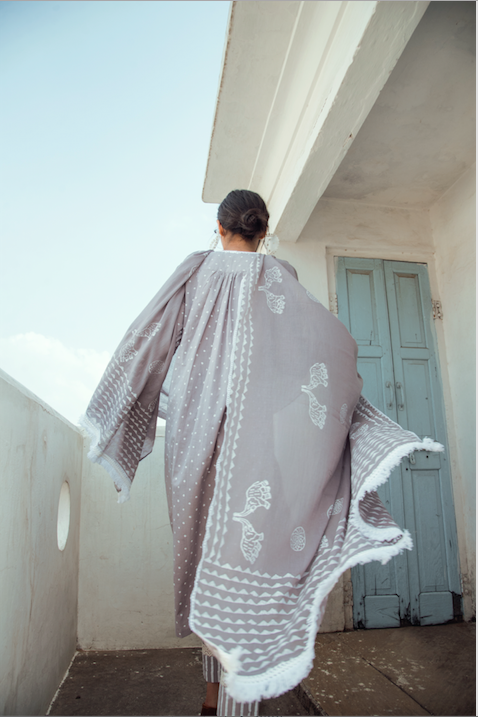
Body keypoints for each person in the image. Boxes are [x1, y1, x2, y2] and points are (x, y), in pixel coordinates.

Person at [81, 189, 443, 717]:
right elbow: (320, 349)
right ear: (263, 231)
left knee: (203, 563)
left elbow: (147, 342)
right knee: (240, 565)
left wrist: (116, 415)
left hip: (192, 442)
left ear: (220, 226)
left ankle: (217, 698)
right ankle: (230, 701)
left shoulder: (195, 271)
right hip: (257, 446)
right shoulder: (279, 276)